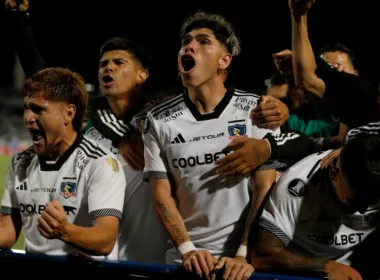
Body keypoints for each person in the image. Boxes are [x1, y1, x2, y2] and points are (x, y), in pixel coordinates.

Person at [143, 11, 281, 280]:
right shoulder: (158, 120)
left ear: (224, 61)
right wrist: (188, 250)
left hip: (241, 264)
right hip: (184, 262)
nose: (190, 46)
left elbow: (266, 187)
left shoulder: (256, 110)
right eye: (186, 41)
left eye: (204, 41)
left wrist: (243, 253)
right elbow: (161, 196)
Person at [0, 67, 126, 259]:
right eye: (26, 107)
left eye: (38, 109)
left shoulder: (100, 163)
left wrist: (65, 231)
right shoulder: (21, 162)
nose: (27, 118)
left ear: (69, 113)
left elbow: (105, 240)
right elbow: (7, 231)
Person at [251, 133, 380, 279]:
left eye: (371, 202)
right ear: (334, 174)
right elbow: (262, 256)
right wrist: (325, 266)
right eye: (354, 200)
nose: (361, 210)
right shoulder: (296, 187)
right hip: (301, 274)